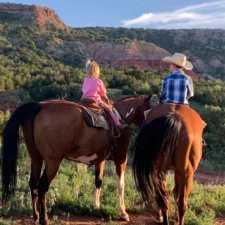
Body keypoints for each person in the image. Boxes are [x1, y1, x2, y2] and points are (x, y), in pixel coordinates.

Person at [144, 53, 206, 146]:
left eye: (170, 64)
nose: (170, 66)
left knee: (146, 115)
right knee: (200, 123)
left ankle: (143, 136)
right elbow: (190, 95)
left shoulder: (168, 77)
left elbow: (164, 93)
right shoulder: (187, 78)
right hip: (184, 105)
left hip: (167, 104)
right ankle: (200, 141)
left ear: (173, 65)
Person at [82, 59, 127, 129]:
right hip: (96, 101)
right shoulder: (98, 81)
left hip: (84, 99)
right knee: (109, 109)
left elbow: (83, 90)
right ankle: (117, 124)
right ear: (97, 71)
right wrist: (107, 101)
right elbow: (103, 94)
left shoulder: (85, 80)